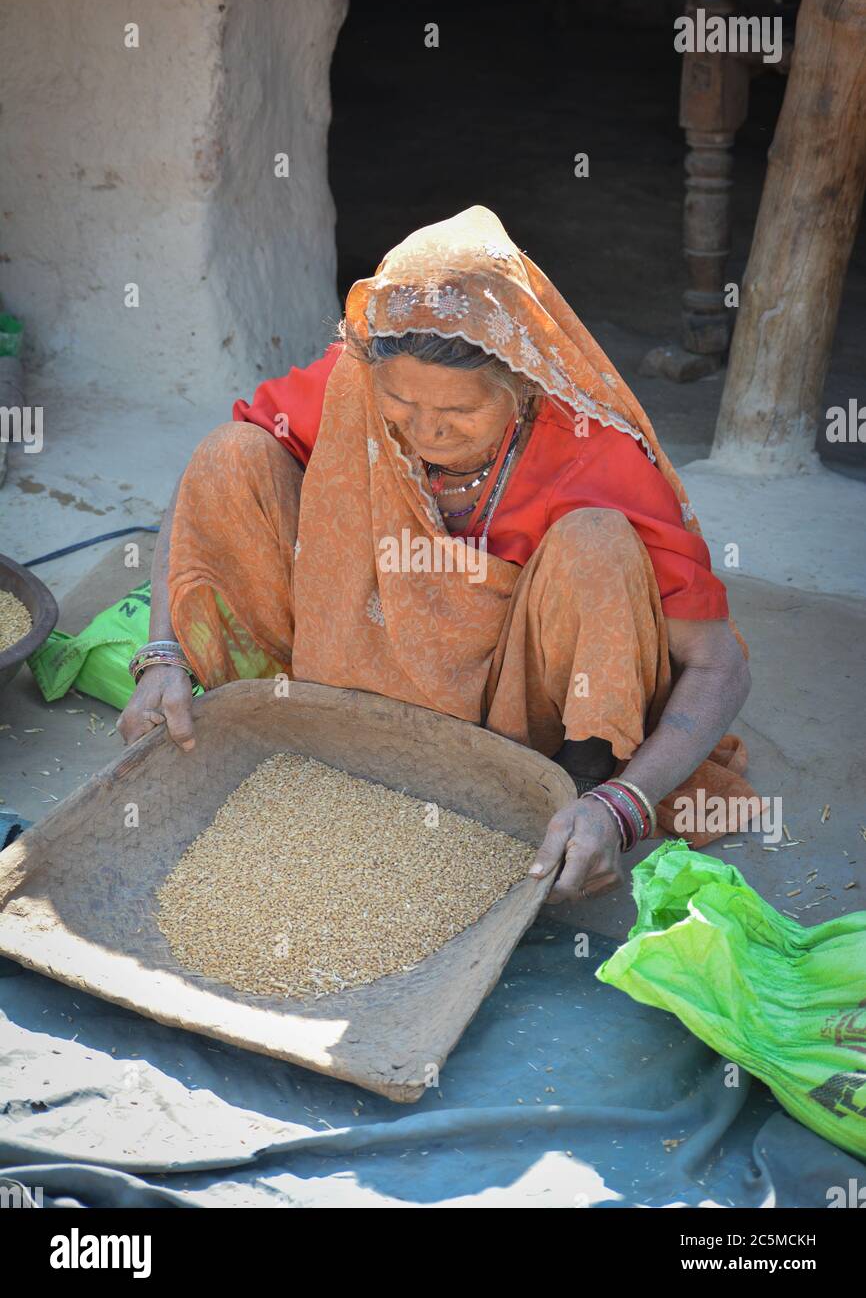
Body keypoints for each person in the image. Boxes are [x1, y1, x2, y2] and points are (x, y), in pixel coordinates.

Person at [118, 205, 755, 903]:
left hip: (515, 729)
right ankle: (273, 724)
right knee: (230, 456)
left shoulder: (590, 451)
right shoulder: (352, 384)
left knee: (597, 543)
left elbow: (715, 661)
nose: (426, 433)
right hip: (342, 686)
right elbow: (200, 492)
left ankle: (570, 797)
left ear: (520, 384)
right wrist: (163, 653)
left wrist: (624, 805)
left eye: (458, 416)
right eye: (400, 404)